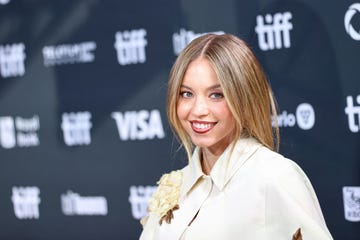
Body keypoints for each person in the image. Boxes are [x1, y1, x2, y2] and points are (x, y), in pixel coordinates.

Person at [139, 33, 333, 240]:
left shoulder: (274, 176)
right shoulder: (176, 184)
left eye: (216, 95)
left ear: (244, 98)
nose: (198, 110)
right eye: (187, 93)